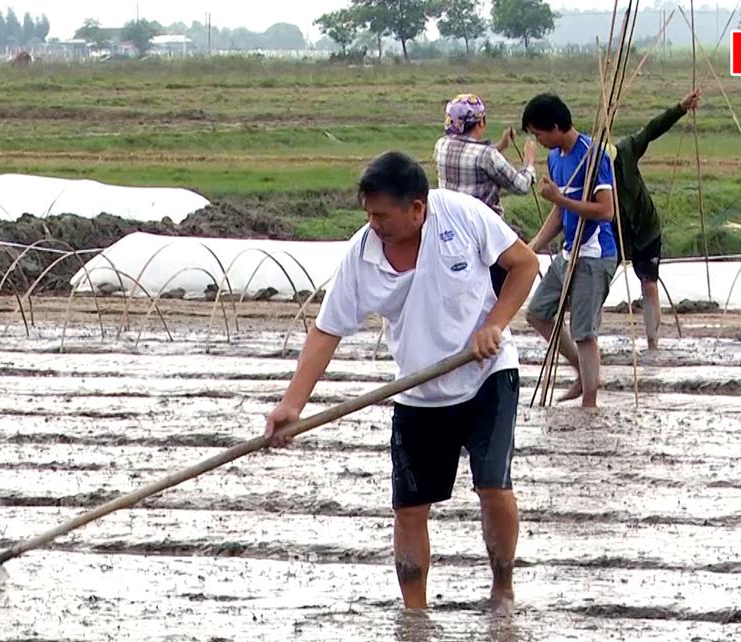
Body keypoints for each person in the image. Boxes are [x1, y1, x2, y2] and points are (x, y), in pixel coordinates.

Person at [263, 151, 540, 614]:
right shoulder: (363, 254)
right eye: (369, 214)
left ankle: (503, 588)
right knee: (409, 508)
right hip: (417, 387)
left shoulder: (463, 216)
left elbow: (524, 265)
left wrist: (494, 323)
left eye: (382, 215)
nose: (374, 224)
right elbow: (327, 330)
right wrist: (293, 404)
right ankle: (415, 613)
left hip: (486, 372)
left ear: (417, 208)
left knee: (492, 485)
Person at [521, 93, 618, 408]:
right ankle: (583, 370)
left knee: (584, 332)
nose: (538, 139)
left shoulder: (592, 155)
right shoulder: (556, 158)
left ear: (555, 126)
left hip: (594, 254)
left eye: (539, 133)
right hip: (567, 253)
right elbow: (560, 215)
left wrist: (559, 200)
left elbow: (606, 211)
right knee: (537, 313)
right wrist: (533, 246)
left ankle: (589, 402)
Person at [607, 89, 701, 350]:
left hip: (645, 229)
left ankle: (652, 343)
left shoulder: (626, 150)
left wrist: (681, 107)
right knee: (598, 281)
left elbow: (653, 128)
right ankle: (588, 337)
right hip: (614, 233)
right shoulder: (592, 174)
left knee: (649, 283)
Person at [435, 93, 539, 296]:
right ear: (481, 122)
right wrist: (529, 163)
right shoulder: (487, 156)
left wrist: (500, 147)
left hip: (451, 231)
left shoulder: (442, 145)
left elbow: (469, 156)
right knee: (494, 293)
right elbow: (521, 185)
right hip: (484, 234)